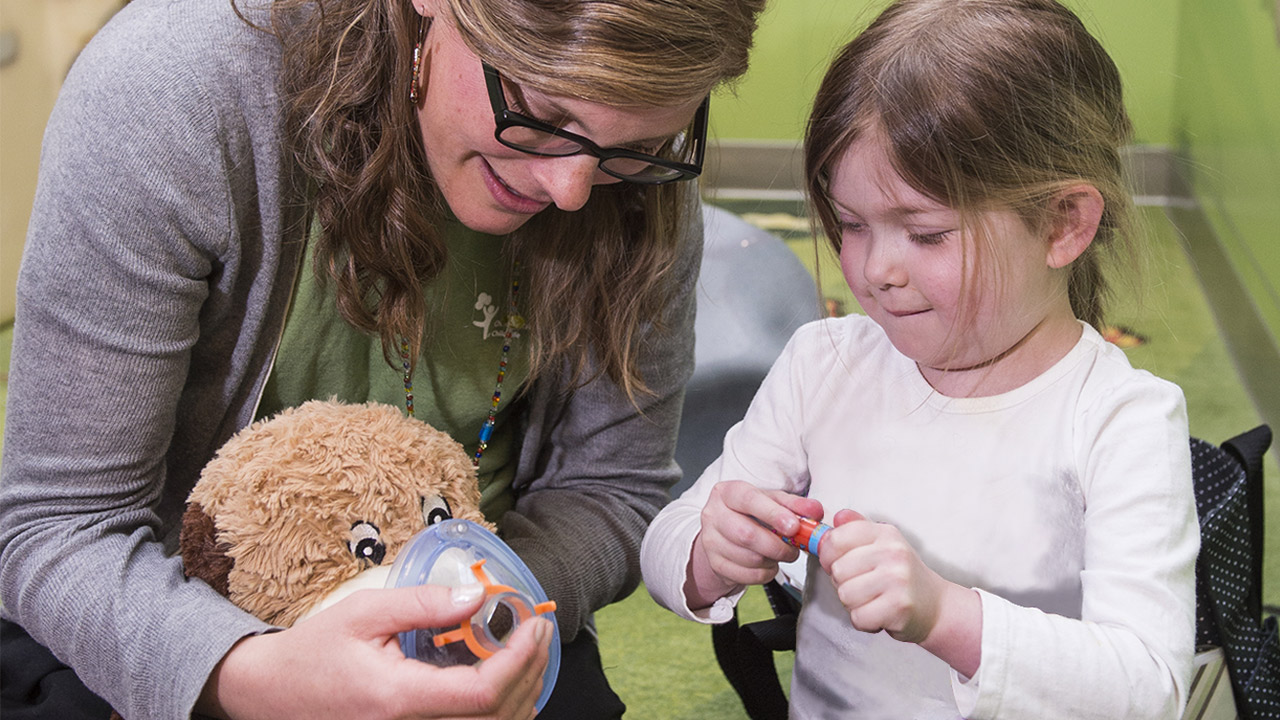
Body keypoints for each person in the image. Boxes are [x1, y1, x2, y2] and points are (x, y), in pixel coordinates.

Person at [0, 0, 767, 717]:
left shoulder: (632, 187)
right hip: (162, 613)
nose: (571, 190)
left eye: (633, 148)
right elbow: (59, 527)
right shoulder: (173, 90)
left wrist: (481, 605)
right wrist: (251, 674)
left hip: (482, 611)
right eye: (544, 115)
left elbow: (611, 489)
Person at [641, 0, 1200, 717]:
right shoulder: (824, 364)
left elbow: (1148, 687)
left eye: (927, 233)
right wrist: (708, 555)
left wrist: (948, 617)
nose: (875, 270)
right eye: (850, 224)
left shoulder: (1120, 420)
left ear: (1063, 224)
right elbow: (666, 541)